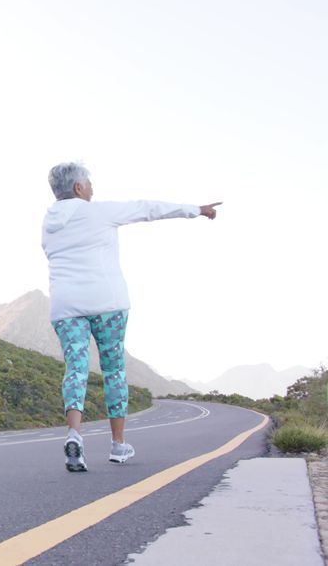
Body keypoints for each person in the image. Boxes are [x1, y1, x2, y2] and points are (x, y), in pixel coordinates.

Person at [41, 162, 220, 472]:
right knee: (113, 370)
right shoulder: (98, 211)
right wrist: (196, 209)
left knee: (76, 368)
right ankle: (118, 444)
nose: (93, 189)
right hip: (107, 302)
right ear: (78, 188)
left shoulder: (48, 221)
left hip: (65, 305)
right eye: (89, 184)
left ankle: (75, 434)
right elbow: (147, 209)